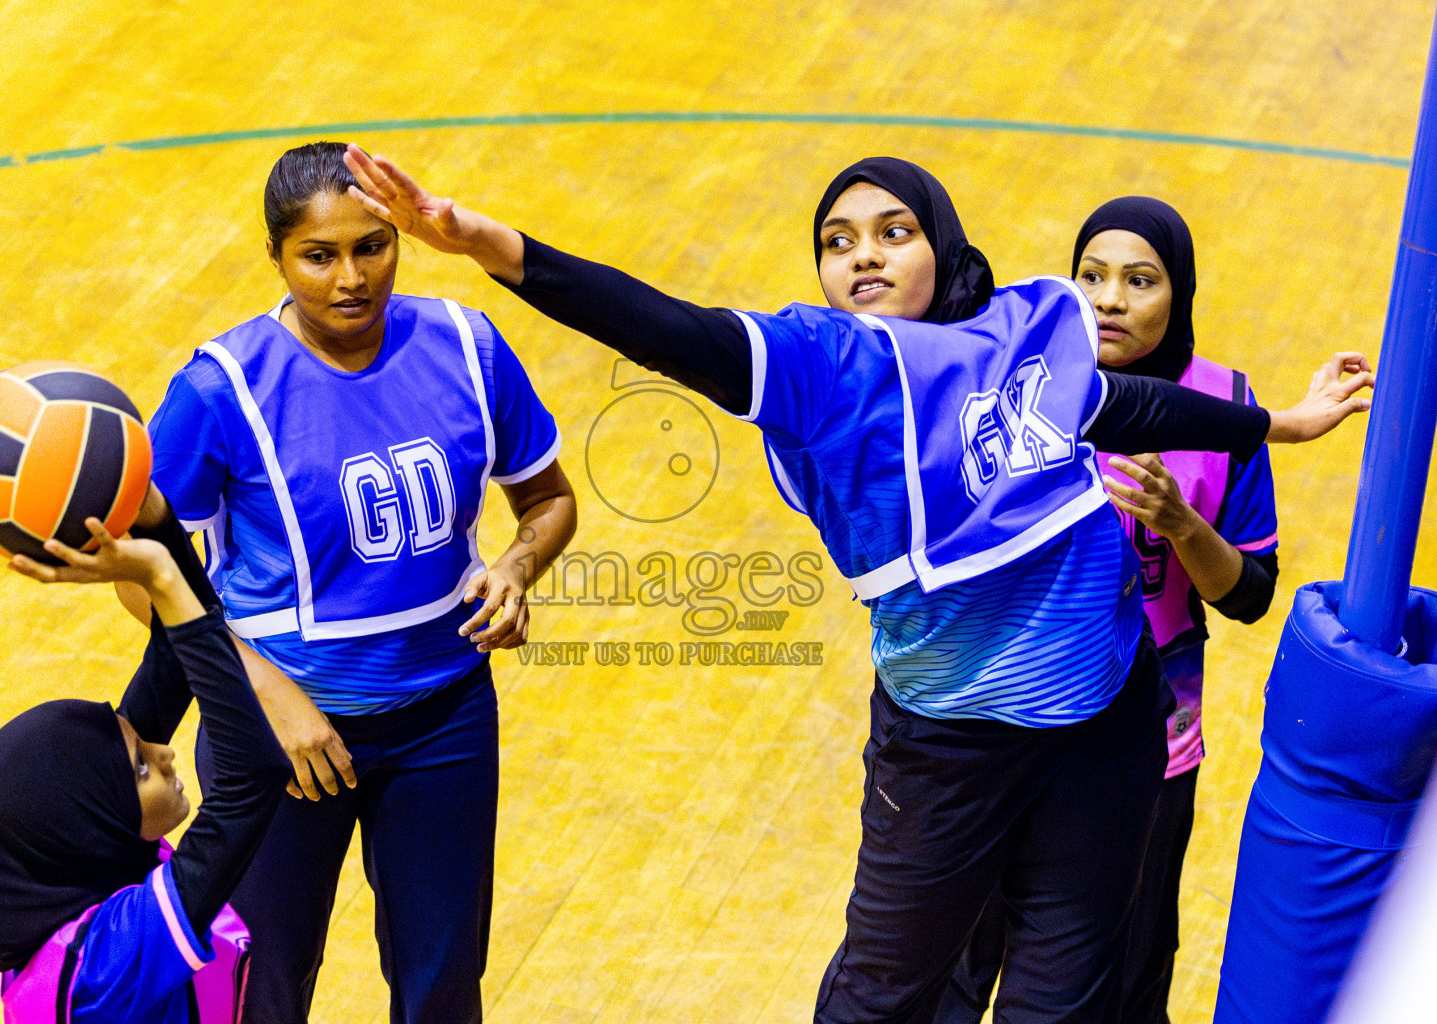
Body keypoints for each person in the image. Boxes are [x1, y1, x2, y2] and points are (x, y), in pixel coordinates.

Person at [340, 146, 1372, 1023]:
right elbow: (666, 326)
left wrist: (1274, 424)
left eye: (891, 231)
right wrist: (489, 248)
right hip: (949, 750)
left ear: (940, 244)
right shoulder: (817, 365)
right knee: (885, 994)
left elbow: (1126, 409)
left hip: (1107, 731)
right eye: (838, 241)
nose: (863, 253)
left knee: (1064, 1001)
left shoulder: (1017, 334)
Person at [145, 141, 576, 1024]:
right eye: (319, 255)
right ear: (276, 257)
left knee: (443, 991)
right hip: (277, 738)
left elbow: (549, 498)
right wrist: (264, 692)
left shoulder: (465, 344)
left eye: (372, 247)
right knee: (258, 988)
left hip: (444, 720)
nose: (351, 277)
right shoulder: (220, 390)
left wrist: (516, 566)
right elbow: (147, 577)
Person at [934, 197, 1282, 1024]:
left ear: (1180, 294)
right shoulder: (1018, 389)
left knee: (1123, 971)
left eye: (1139, 280)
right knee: (959, 959)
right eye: (1090, 275)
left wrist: (1181, 523)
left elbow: (1250, 594)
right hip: (1007, 727)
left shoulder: (1224, 406)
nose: (1109, 298)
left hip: (1150, 747)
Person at [0, 491, 293, 1023]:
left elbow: (173, 656)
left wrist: (158, 526)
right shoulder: (106, 966)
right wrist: (159, 580)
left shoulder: (79, 862)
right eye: (140, 767)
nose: (165, 753)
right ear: (93, 825)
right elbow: (255, 777)